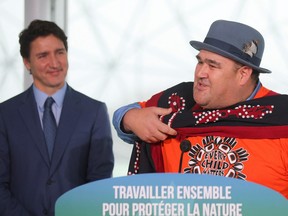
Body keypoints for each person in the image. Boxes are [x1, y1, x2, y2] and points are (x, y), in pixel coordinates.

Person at [113, 20, 288, 199]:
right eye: (200, 62)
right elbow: (126, 119)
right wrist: (130, 117)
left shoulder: (282, 117)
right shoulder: (178, 101)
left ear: (243, 74)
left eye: (213, 66)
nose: (200, 73)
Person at [0, 20, 114, 216]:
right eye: (43, 55)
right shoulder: (5, 115)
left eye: (59, 52)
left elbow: (99, 184)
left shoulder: (94, 112)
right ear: (27, 62)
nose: (54, 63)